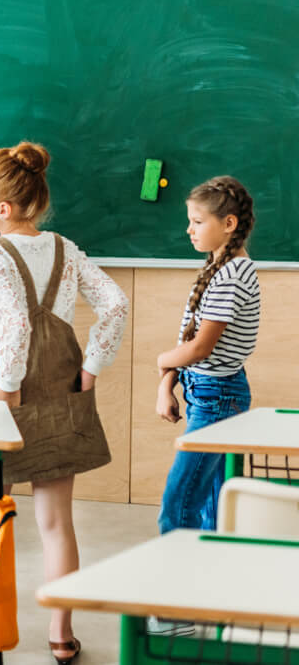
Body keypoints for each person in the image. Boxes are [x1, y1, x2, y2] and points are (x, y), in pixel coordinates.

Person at [0, 143, 128, 664]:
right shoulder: (64, 247)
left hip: (5, 393)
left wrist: (8, 384)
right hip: (62, 387)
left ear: (4, 209)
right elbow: (115, 304)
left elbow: (12, 324)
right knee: (57, 522)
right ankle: (61, 637)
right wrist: (91, 367)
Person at [156, 177, 258, 532]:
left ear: (229, 224)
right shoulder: (220, 269)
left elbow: (200, 348)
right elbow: (188, 337)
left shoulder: (231, 275)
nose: (189, 230)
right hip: (207, 392)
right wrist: (166, 383)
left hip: (217, 397)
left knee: (178, 506)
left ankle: (178, 584)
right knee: (210, 508)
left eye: (198, 222)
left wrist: (162, 362)